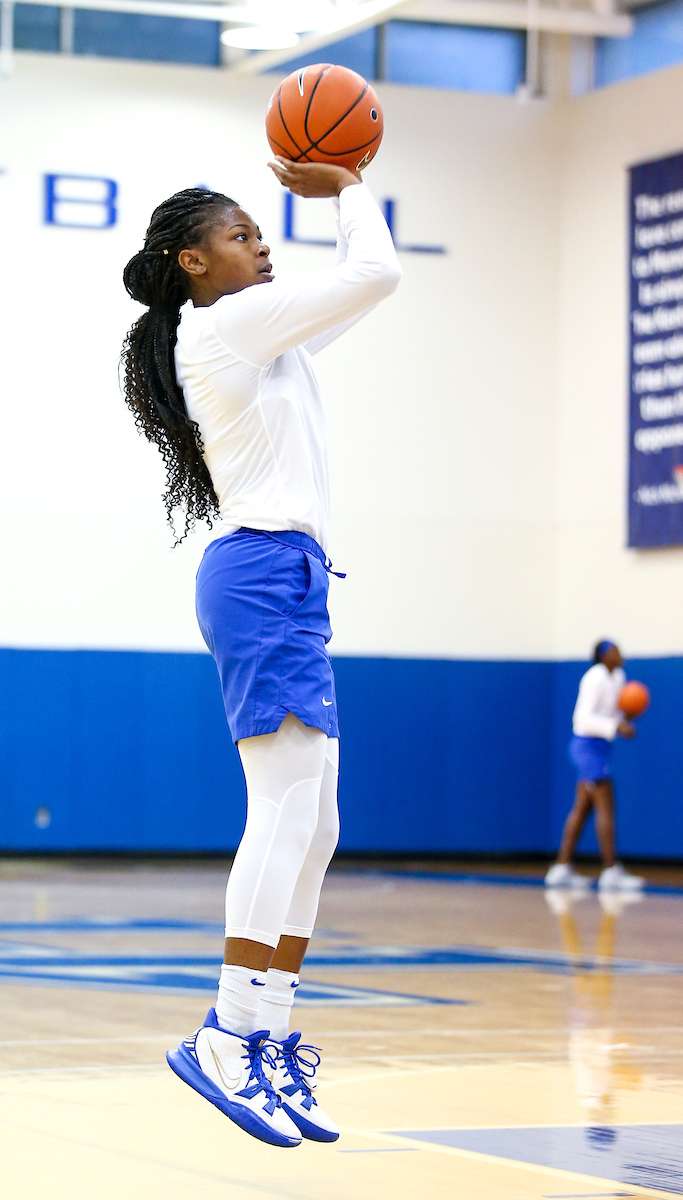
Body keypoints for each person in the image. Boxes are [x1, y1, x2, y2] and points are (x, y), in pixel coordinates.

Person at [120, 159, 401, 1147]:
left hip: (289, 577)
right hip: (262, 574)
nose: (261, 245)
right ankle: (227, 1034)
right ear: (194, 263)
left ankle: (268, 1034)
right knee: (283, 810)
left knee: (316, 824)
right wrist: (345, 182)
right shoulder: (226, 322)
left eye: (259, 232)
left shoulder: (256, 328)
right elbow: (376, 271)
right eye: (241, 236)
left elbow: (352, 295)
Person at [545, 640, 645, 892]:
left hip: (602, 747)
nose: (621, 655)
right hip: (587, 746)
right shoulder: (594, 677)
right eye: (615, 652)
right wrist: (615, 727)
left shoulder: (619, 676)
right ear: (603, 656)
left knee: (582, 809)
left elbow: (612, 713)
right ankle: (610, 871)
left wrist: (626, 717)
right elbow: (582, 718)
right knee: (606, 804)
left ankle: (561, 868)